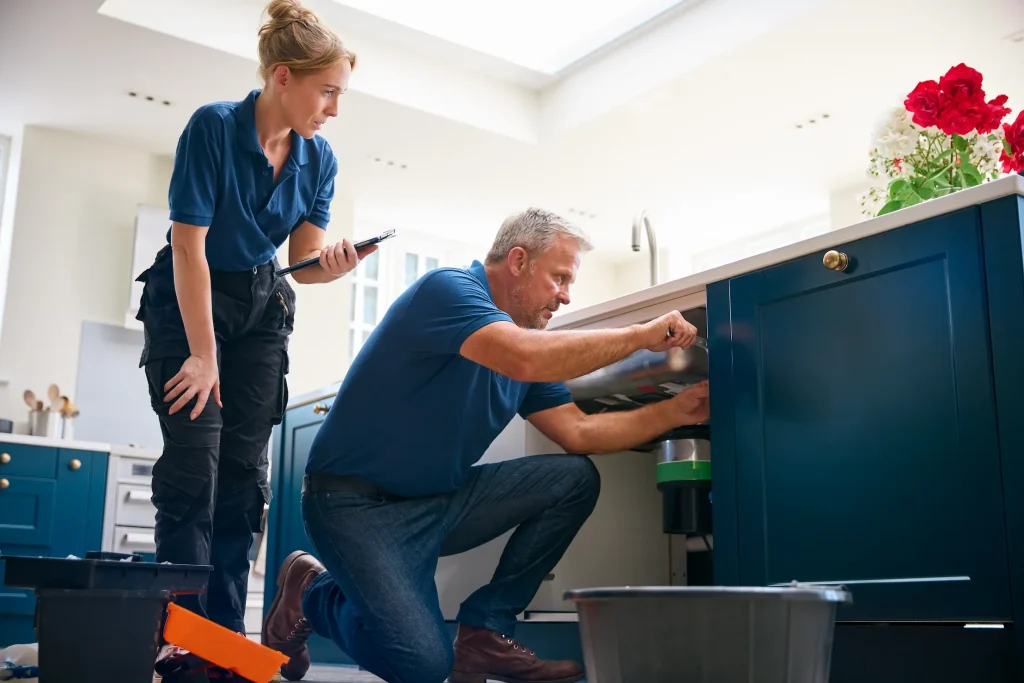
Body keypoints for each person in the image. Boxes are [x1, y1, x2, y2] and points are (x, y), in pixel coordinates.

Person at [262, 208, 711, 683]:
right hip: (352, 505)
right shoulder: (448, 291)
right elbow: (520, 357)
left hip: (437, 503)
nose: (565, 295)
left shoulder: (527, 343)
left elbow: (578, 432)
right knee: (423, 666)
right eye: (559, 277)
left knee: (573, 479)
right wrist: (640, 337)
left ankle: (484, 633)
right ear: (518, 261)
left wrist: (674, 413)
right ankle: (312, 590)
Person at [135, 0, 370, 677]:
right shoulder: (212, 128)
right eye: (327, 91)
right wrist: (202, 354)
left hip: (262, 310)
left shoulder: (319, 158)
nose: (333, 107)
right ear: (284, 78)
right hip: (189, 307)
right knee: (192, 472)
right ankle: (179, 641)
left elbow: (303, 255)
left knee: (243, 484)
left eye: (339, 93)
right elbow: (188, 247)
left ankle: (223, 643)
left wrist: (334, 266)